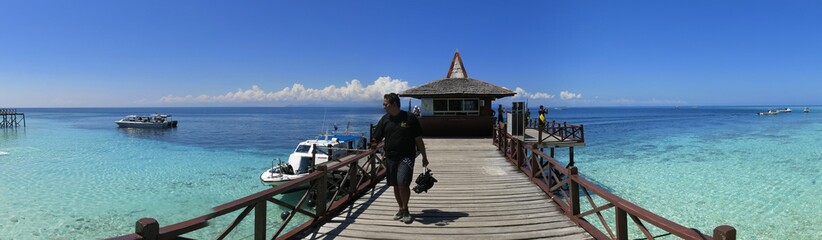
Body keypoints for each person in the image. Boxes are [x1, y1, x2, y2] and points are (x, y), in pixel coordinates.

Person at [370, 93, 429, 224]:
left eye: (385, 104)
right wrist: (373, 144)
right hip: (390, 157)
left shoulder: (410, 118)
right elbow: (376, 137)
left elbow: (418, 139)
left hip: (406, 157)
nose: (384, 107)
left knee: (403, 183)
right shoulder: (385, 119)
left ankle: (406, 209)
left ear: (394, 104)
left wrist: (424, 156)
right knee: (395, 185)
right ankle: (400, 208)